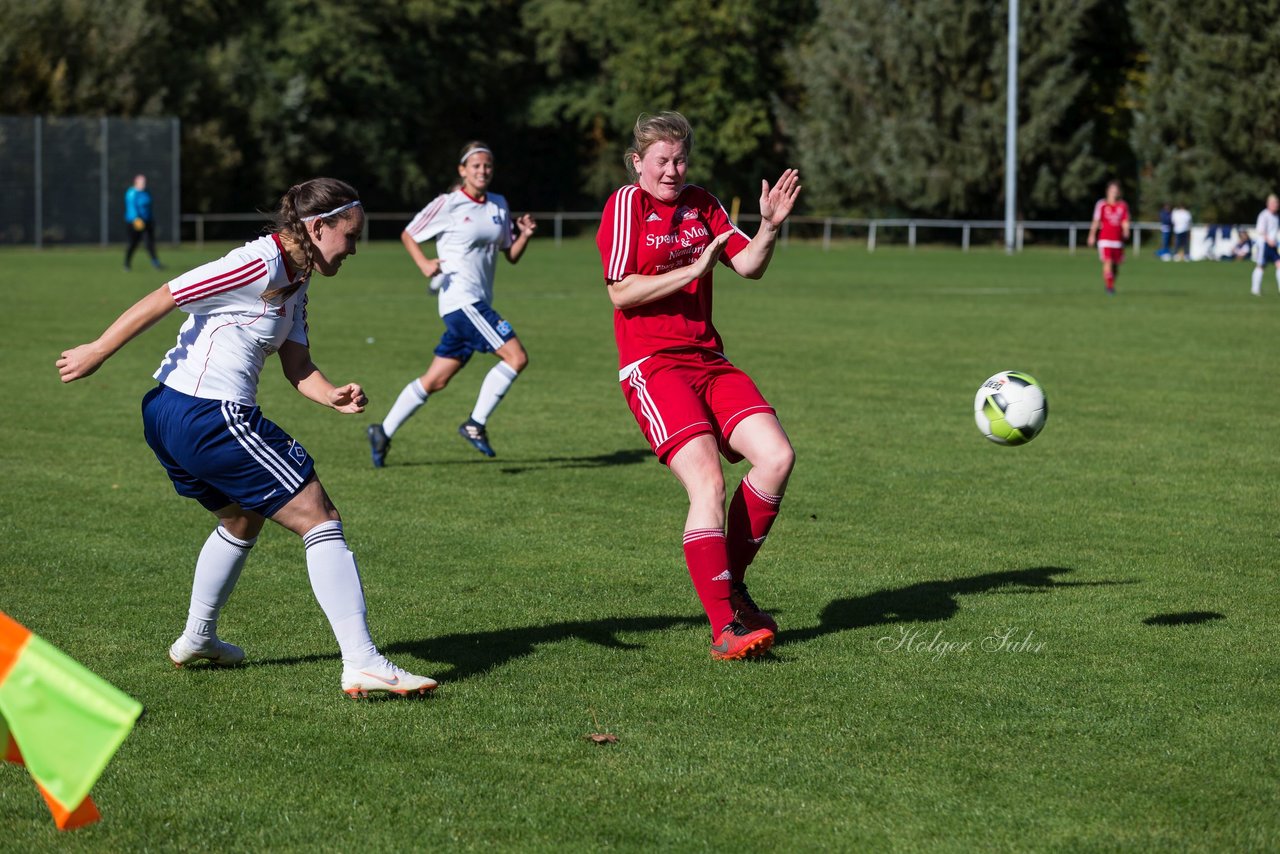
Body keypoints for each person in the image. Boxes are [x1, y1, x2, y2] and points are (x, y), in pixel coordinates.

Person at [57, 177, 436, 699]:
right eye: (350, 235)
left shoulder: (298, 277)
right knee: (319, 517)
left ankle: (197, 638)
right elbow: (168, 294)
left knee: (241, 517)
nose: (354, 247)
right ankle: (363, 662)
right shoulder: (258, 261)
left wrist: (331, 395)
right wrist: (98, 349)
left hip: (170, 414)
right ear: (319, 226)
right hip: (207, 414)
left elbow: (297, 364)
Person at [595, 111, 801, 661]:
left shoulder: (703, 203)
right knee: (708, 482)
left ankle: (731, 584)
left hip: (708, 360)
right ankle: (724, 627)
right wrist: (691, 272)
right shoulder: (626, 207)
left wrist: (770, 228)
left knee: (777, 457)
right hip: (652, 366)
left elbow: (749, 266)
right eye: (661, 160)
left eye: (680, 159)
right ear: (638, 162)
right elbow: (620, 293)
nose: (672, 170)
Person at [366, 142, 537, 467]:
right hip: (462, 301)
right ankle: (475, 423)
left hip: (476, 303)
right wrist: (424, 264)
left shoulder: (499, 204)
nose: (482, 171)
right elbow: (409, 234)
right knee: (516, 357)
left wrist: (524, 235)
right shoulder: (449, 203)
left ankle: (382, 431)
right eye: (475, 166)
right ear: (462, 170)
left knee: (436, 379)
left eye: (487, 166)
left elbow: (510, 255)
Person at [1086, 181, 1130, 294]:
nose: (1114, 194)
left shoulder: (1123, 205)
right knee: (1108, 261)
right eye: (1112, 191)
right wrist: (1091, 235)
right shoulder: (1101, 204)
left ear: (1119, 193)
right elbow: (1096, 221)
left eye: (1116, 191)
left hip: (1117, 240)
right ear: (1108, 192)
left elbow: (1125, 220)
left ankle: (1110, 283)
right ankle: (1109, 287)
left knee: (1115, 266)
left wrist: (1126, 230)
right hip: (1104, 239)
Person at [124, 173, 163, 271]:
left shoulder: (146, 192)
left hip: (147, 221)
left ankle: (155, 263)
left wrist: (151, 219)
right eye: (141, 182)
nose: (143, 184)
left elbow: (149, 207)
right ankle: (127, 263)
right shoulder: (131, 193)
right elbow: (131, 207)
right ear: (136, 182)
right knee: (133, 243)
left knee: (150, 243)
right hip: (134, 222)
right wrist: (136, 219)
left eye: (144, 182)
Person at [1251, 194, 1280, 295]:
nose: (1276, 205)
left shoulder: (1276, 216)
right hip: (1264, 244)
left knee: (1279, 264)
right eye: (1274, 203)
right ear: (1268, 204)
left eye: (1277, 203)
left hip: (1273, 245)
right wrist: (1268, 240)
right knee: (1261, 265)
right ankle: (1255, 289)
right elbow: (1260, 230)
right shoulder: (1264, 215)